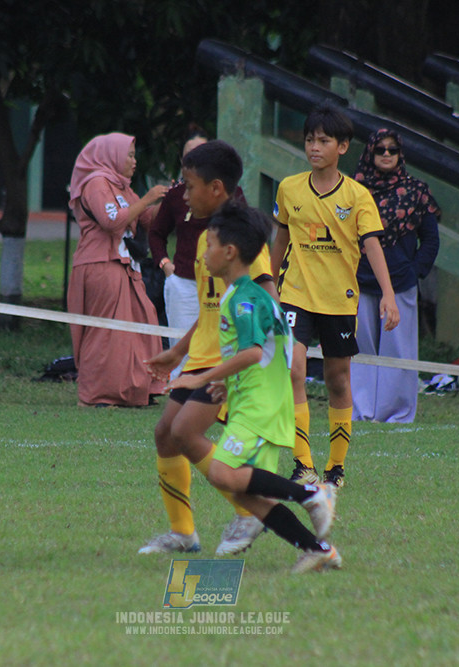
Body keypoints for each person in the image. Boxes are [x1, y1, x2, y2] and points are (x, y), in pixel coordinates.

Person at [170, 200, 341, 574]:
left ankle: (313, 493)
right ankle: (318, 549)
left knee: (221, 473)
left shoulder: (245, 300)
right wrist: (227, 386)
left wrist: (201, 376)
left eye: (209, 246)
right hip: (257, 397)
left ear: (229, 252)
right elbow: (268, 352)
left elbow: (249, 353)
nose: (204, 256)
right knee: (248, 492)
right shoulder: (243, 295)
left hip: (259, 404)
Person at [141, 140, 275, 556]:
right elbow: (210, 308)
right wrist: (179, 351)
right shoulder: (206, 241)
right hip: (201, 355)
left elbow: (266, 297)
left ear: (216, 189)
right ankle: (184, 533)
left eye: (189, 184)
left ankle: (252, 510)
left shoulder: (246, 242)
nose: (183, 193)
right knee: (166, 433)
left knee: (183, 432)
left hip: (227, 360)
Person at [270, 101, 399, 489]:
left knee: (338, 379)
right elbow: (279, 239)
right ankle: (303, 463)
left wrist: (389, 296)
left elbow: (373, 246)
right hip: (294, 295)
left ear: (342, 147)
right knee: (292, 369)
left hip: (339, 301)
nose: (314, 147)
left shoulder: (358, 196)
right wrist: (266, 284)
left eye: (323, 141)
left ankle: (336, 468)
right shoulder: (289, 188)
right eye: (310, 139)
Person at [67, 132, 169, 407]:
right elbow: (111, 221)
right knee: (105, 332)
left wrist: (172, 200)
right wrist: (147, 198)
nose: (134, 162)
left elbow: (145, 218)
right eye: (130, 155)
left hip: (125, 265)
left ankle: (137, 389)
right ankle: (95, 395)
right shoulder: (96, 184)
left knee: (143, 322)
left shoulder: (122, 187)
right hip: (101, 264)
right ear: (111, 155)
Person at [351, 129, 441, 423]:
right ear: (370, 154)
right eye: (380, 150)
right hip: (359, 282)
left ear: (401, 154)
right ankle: (362, 412)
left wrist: (414, 272)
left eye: (392, 150)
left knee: (399, 353)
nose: (387, 154)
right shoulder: (353, 191)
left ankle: (397, 415)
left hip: (401, 282)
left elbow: (430, 240)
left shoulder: (416, 191)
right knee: (360, 349)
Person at [149, 127, 210, 348]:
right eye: (189, 155)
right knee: (182, 350)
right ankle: (179, 384)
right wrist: (166, 265)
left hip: (219, 284)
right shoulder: (176, 196)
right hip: (184, 283)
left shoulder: (228, 193)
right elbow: (156, 234)